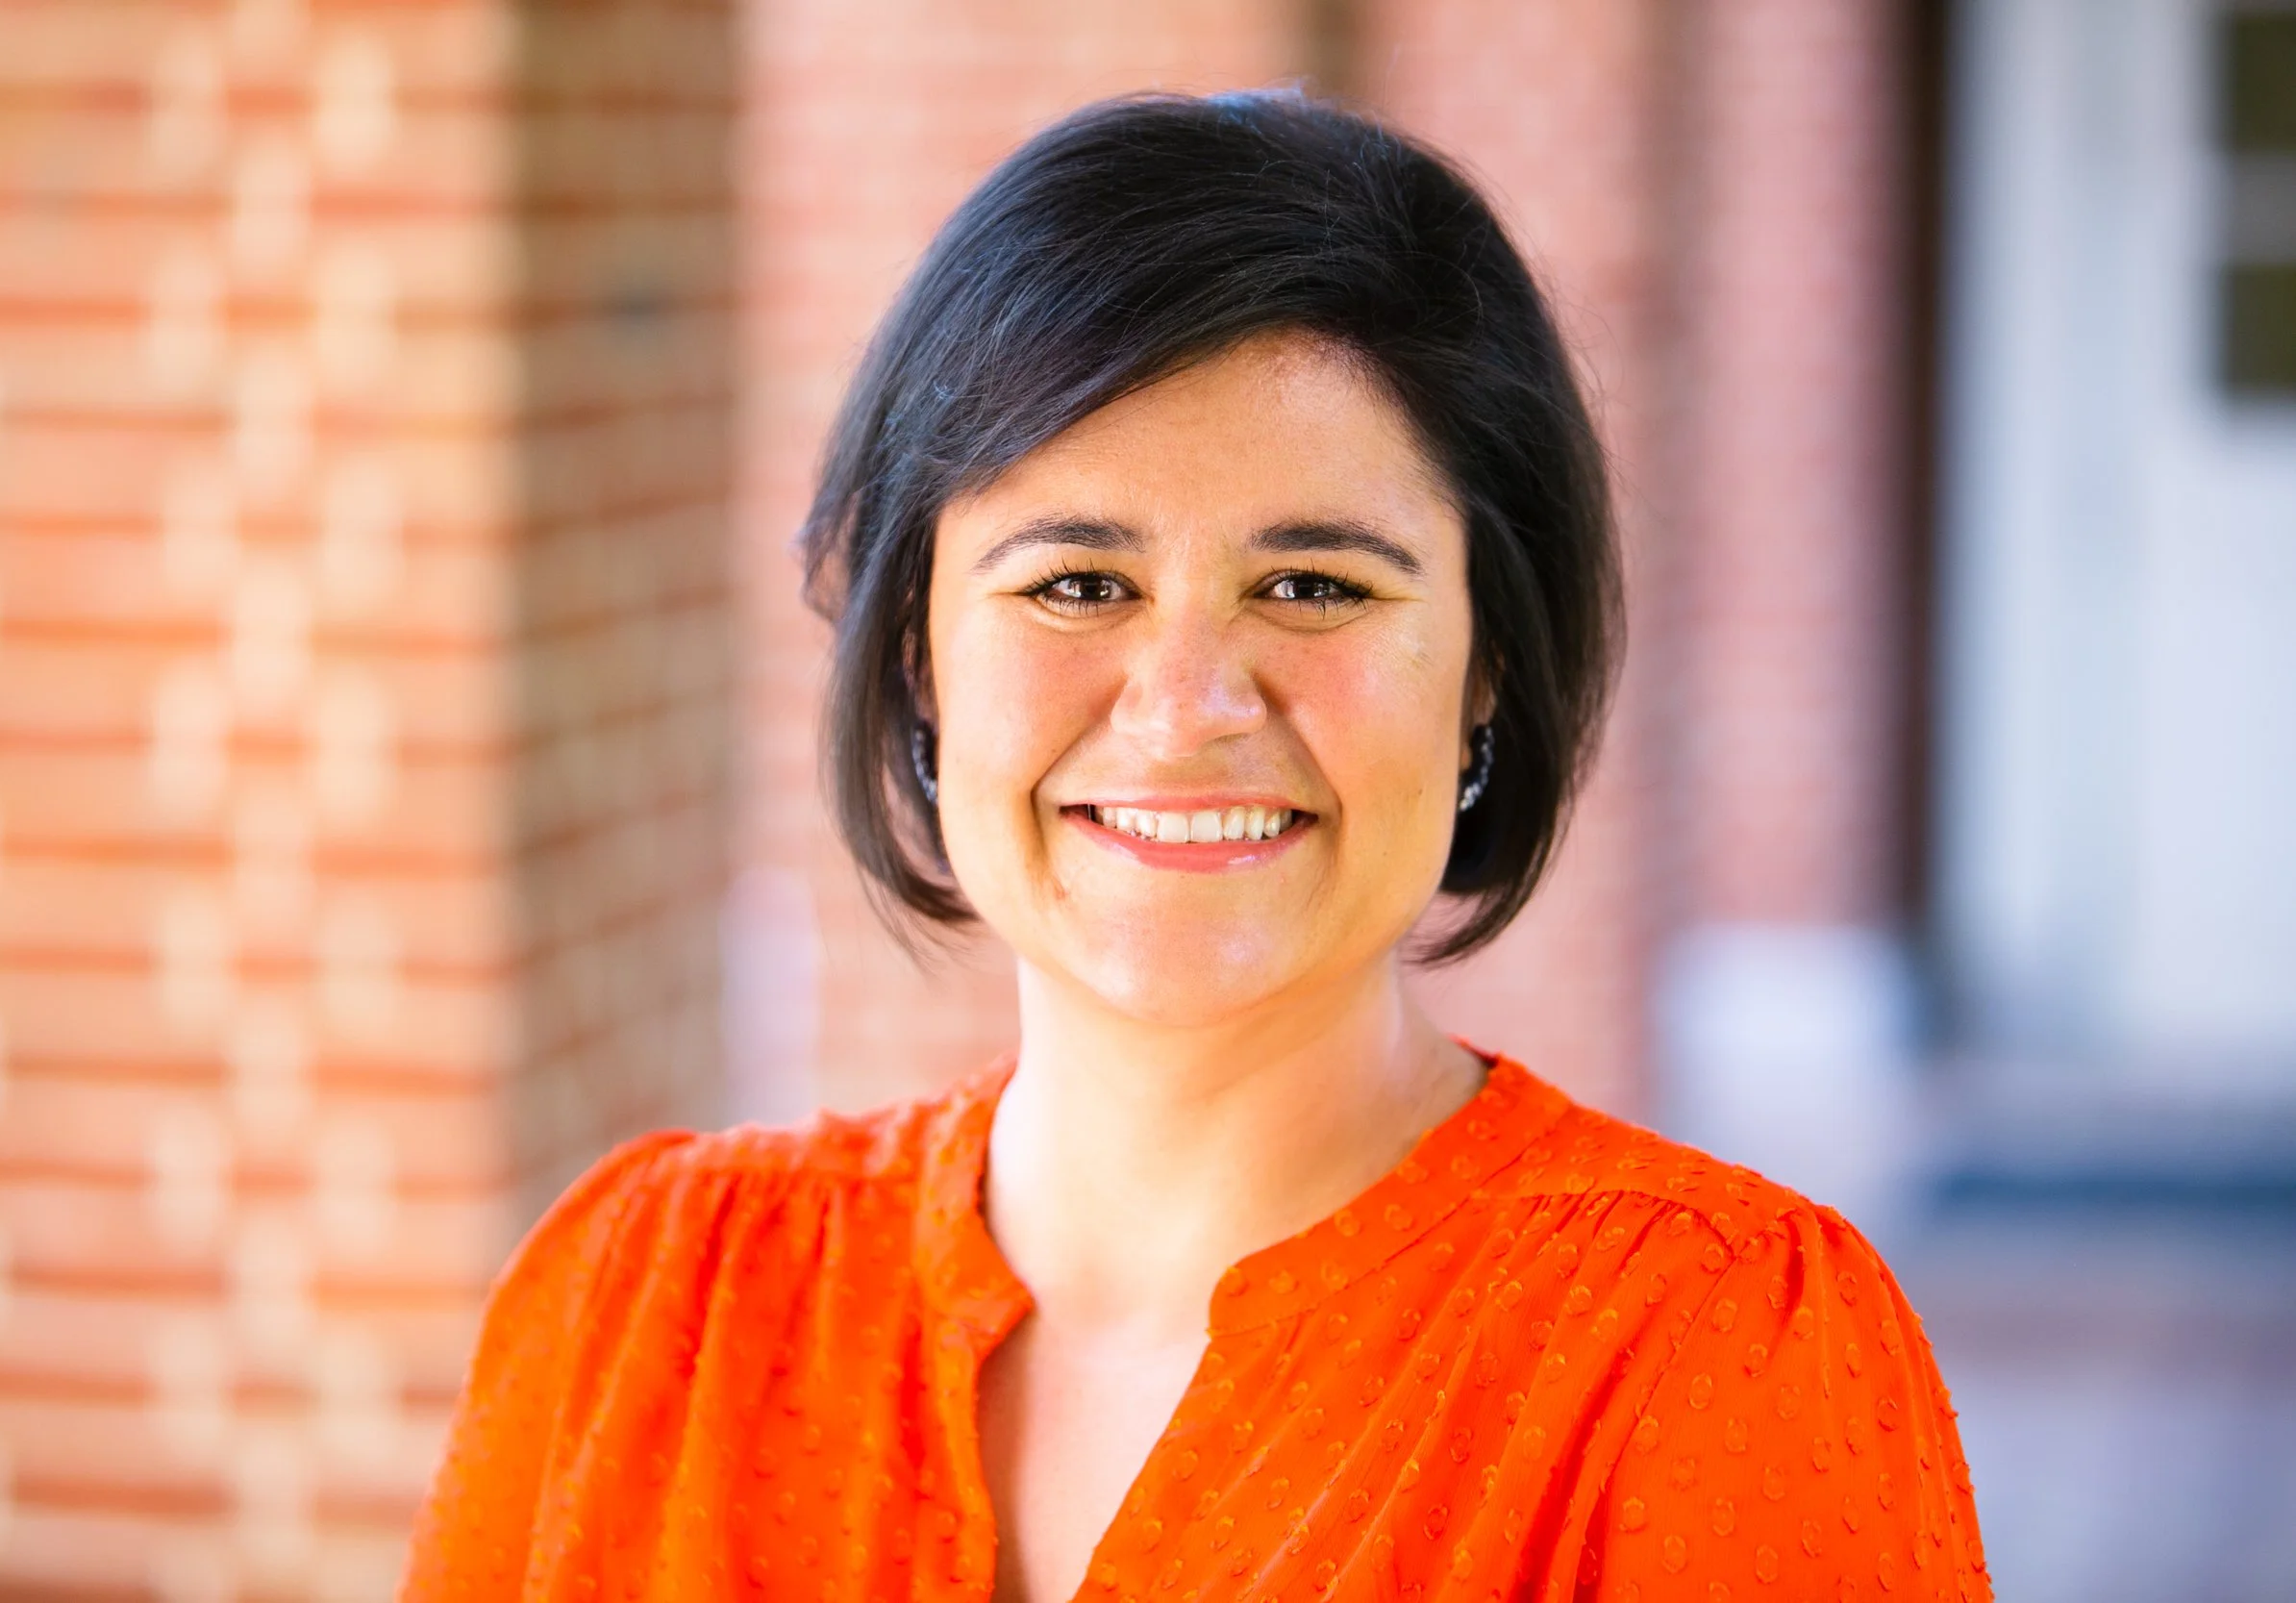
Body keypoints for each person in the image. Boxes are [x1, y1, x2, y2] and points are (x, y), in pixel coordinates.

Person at [403, 91, 1988, 1602]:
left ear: (1487, 660)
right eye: (1077, 583)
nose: (1184, 711)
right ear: (916, 653)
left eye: (1314, 586)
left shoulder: (1710, 1351)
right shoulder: (644, 1306)